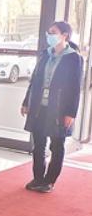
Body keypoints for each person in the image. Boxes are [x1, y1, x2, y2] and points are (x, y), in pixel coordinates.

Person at [22, 22, 82, 193]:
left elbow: (75, 88)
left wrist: (71, 113)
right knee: (38, 144)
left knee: (56, 145)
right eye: (49, 32)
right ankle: (38, 178)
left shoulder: (73, 58)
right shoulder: (45, 54)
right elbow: (34, 80)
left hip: (59, 108)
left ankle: (49, 181)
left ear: (65, 35)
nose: (49, 35)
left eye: (53, 32)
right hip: (39, 106)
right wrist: (26, 102)